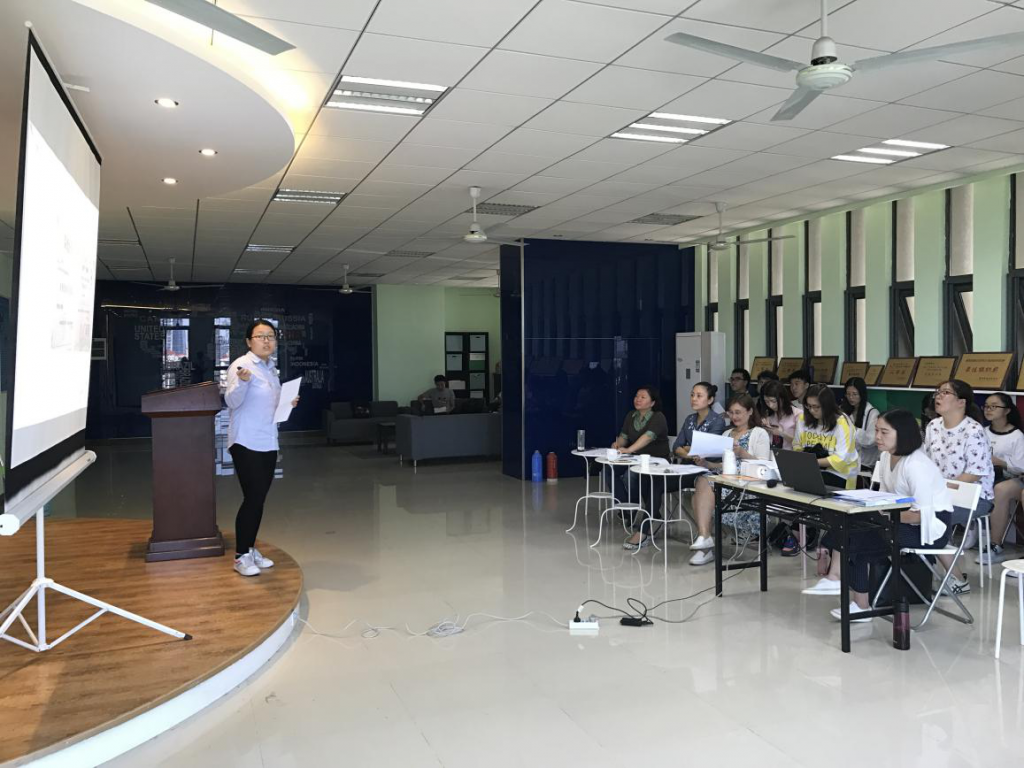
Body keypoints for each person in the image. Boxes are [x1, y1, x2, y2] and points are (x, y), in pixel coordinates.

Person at [801, 409, 954, 624]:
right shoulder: (886, 456)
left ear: (902, 434)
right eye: (876, 430)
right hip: (899, 519)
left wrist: (881, 515)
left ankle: (841, 584)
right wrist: (874, 511)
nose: (877, 437)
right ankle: (854, 599)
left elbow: (920, 515)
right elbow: (883, 497)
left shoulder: (917, 465)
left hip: (930, 528)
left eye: (884, 432)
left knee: (858, 535)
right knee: (850, 526)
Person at [225, 320, 300, 577]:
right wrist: (243, 382)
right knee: (253, 498)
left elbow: (269, 404)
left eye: (271, 336)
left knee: (259, 499)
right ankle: (240, 557)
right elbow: (231, 402)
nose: (266, 341)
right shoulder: (241, 366)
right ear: (249, 341)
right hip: (246, 441)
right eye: (260, 336)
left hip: (267, 440)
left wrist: (287, 403)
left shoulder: (270, 368)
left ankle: (249, 548)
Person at [924, 379, 995, 594]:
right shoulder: (933, 426)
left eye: (945, 393)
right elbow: (926, 462)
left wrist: (941, 491)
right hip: (940, 494)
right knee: (912, 513)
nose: (938, 396)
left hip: (974, 497)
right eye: (938, 392)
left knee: (929, 518)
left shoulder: (973, 430)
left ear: (961, 402)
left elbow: (974, 473)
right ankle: (921, 574)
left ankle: (957, 579)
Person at [687, 394, 772, 566]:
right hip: (727, 480)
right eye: (731, 413)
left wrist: (743, 453)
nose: (734, 417)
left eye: (738, 412)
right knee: (702, 480)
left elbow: (765, 465)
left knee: (699, 496)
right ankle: (704, 537)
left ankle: (705, 546)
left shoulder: (759, 433)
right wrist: (706, 463)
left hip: (747, 485)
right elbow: (723, 465)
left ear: (750, 411)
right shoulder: (727, 433)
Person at [784, 384, 859, 556]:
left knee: (807, 489)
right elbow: (797, 445)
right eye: (809, 406)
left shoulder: (842, 422)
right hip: (812, 468)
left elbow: (841, 459)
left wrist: (813, 462)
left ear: (827, 405)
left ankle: (799, 533)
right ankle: (802, 531)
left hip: (839, 474)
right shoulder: (803, 419)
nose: (812, 411)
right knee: (794, 486)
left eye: (816, 407)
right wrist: (806, 460)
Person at [608, 387, 671, 551]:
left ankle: (636, 509)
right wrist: (618, 444)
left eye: (643, 397)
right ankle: (627, 508)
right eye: (636, 396)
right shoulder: (631, 415)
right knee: (609, 470)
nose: (638, 399)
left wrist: (629, 449)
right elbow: (624, 436)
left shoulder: (658, 417)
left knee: (631, 475)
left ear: (652, 402)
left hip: (656, 461)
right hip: (635, 459)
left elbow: (647, 437)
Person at [980, 393, 1024, 566]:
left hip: (1013, 478)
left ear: (1006, 410)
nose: (988, 410)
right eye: (986, 406)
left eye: (994, 406)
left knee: (1000, 490)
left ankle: (995, 545)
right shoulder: (982, 432)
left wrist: (1000, 462)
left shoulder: (1017, 435)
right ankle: (971, 532)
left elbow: (1020, 467)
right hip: (985, 476)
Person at [842, 377, 879, 469]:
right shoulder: (843, 410)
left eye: (855, 394)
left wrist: (852, 428)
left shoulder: (872, 413)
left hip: (864, 463)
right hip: (845, 460)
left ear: (862, 394)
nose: (851, 397)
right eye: (848, 394)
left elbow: (871, 441)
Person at [760, 379, 803, 451]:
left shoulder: (798, 414)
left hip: (792, 454)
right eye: (766, 401)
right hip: (772, 454)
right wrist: (765, 430)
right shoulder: (769, 415)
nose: (770, 405)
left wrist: (781, 433)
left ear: (783, 398)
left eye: (773, 401)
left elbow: (802, 443)